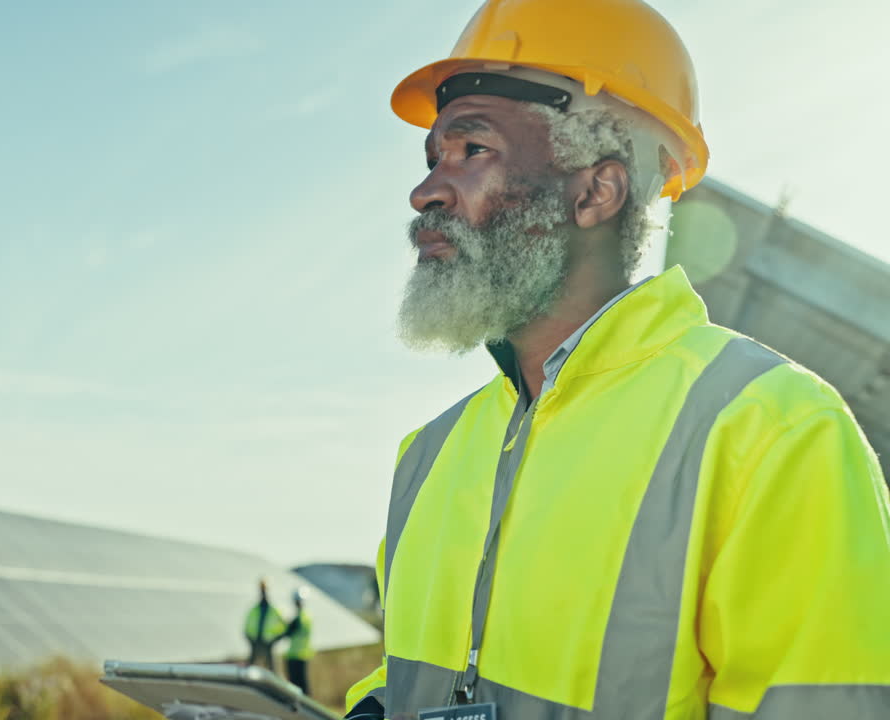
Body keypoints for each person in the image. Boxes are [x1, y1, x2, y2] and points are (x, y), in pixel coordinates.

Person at [344, 1, 890, 719]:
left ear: (596, 191)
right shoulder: (426, 456)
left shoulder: (773, 432)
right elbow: (406, 677)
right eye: (432, 158)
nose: (425, 192)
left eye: (472, 150)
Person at [279, 587, 315, 695]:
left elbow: (288, 632)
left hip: (295, 656)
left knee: (298, 686)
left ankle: (304, 708)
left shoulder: (299, 619)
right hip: (302, 655)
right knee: (302, 684)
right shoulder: (306, 617)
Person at [243, 578, 285, 671]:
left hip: (268, 643)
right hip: (256, 642)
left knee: (272, 669)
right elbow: (247, 626)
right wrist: (250, 638)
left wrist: (275, 638)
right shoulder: (255, 609)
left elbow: (283, 626)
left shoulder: (274, 610)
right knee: (251, 667)